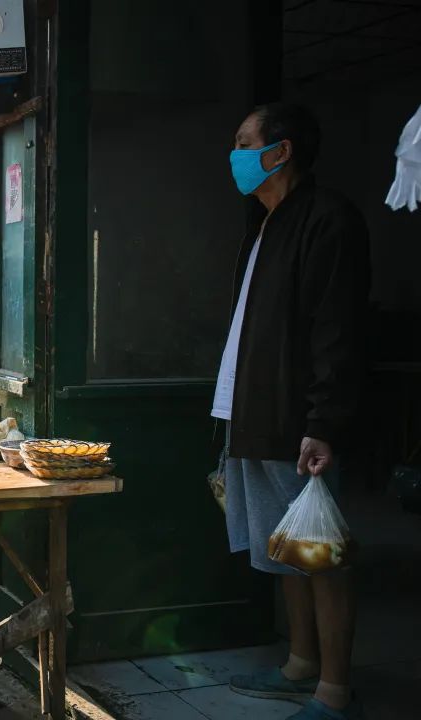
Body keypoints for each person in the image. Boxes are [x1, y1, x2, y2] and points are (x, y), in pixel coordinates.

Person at [214, 103, 369, 720]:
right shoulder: (267, 224)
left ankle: (334, 690)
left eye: (243, 142)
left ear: (280, 152)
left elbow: (338, 328)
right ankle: (301, 663)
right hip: (255, 409)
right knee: (285, 548)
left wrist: (322, 422)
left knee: (320, 553)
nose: (235, 155)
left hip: (296, 416)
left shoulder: (327, 219)